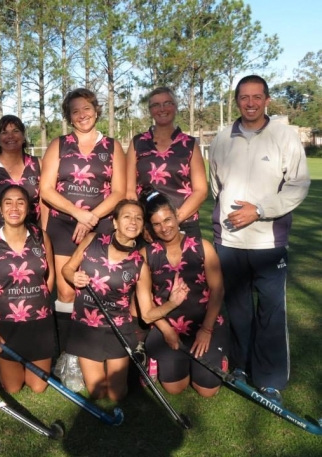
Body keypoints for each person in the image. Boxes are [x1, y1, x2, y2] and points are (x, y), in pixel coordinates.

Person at [209, 74, 310, 405]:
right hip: (230, 242)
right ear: (236, 101)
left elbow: (298, 184)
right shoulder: (222, 138)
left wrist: (261, 210)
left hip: (269, 243)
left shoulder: (284, 136)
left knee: (271, 312)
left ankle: (269, 381)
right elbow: (216, 186)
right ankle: (240, 367)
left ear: (267, 100)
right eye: (244, 97)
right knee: (238, 310)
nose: (250, 103)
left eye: (256, 97)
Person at [62, 200, 176, 401]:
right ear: (115, 222)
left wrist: (173, 303)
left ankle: (134, 367)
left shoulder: (139, 264)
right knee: (97, 393)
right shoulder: (92, 239)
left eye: (138, 218)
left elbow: (147, 314)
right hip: (86, 326)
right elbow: (67, 268)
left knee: (116, 395)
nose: (133, 221)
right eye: (127, 216)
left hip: (117, 329)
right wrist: (73, 277)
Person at [40, 88, 126, 353]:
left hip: (100, 226)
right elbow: (46, 189)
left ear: (96, 110)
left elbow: (119, 192)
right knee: (66, 291)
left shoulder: (112, 146)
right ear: (68, 116)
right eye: (75, 111)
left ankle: (99, 348)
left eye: (86, 108)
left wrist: (92, 217)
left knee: (99, 288)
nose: (82, 115)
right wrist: (78, 213)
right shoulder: (58, 144)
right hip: (63, 225)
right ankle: (69, 355)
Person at [140, 188, 227, 397]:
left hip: (204, 323)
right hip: (168, 325)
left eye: (167, 220)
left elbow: (218, 289)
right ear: (150, 227)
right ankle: (157, 358)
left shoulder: (203, 247)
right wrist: (166, 331)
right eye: (156, 224)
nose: (164, 228)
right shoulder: (146, 254)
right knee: (174, 388)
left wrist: (206, 329)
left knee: (206, 390)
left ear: (176, 215)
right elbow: (146, 307)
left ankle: (220, 358)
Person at [0, 185, 55, 393]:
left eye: (20, 202)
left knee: (38, 386)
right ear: (0, 209)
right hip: (6, 323)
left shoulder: (41, 236)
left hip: (39, 321)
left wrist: (41, 304)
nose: (14, 208)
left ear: (28, 208)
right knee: (13, 388)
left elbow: (50, 275)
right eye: (8, 203)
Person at [126, 87, 207, 238]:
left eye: (167, 103)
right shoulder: (138, 142)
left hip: (184, 223)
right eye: (156, 105)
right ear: (150, 110)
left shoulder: (189, 144)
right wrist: (143, 223)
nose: (162, 109)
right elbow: (130, 190)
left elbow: (201, 191)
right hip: (148, 228)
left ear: (175, 106)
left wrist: (172, 221)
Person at [0, 115, 42, 235]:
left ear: (23, 136)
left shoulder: (38, 165)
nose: (10, 136)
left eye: (15, 131)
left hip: (32, 237)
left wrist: (43, 236)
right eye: (4, 132)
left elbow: (45, 207)